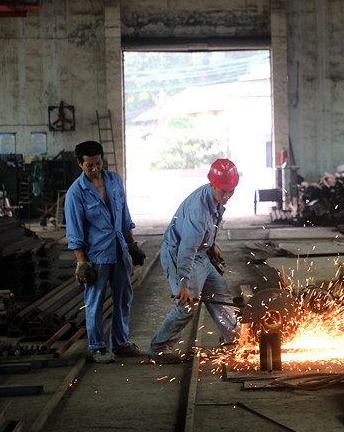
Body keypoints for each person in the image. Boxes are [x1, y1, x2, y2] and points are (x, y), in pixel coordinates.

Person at [148, 158, 241, 363]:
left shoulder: (214, 198)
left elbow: (211, 226)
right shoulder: (198, 210)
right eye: (223, 192)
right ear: (212, 185)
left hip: (201, 254)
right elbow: (187, 249)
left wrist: (211, 244)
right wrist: (183, 283)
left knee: (220, 293)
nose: (227, 196)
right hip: (180, 255)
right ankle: (158, 349)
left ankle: (235, 340)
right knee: (186, 306)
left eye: (231, 191)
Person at [65, 141, 146, 363]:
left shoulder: (114, 181)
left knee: (123, 297)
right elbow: (74, 232)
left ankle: (121, 343)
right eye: (89, 165)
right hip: (96, 256)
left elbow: (125, 216)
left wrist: (132, 245)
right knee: (95, 301)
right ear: (80, 163)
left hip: (118, 251)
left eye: (98, 164)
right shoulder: (76, 193)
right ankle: (98, 347)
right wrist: (82, 263)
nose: (95, 169)